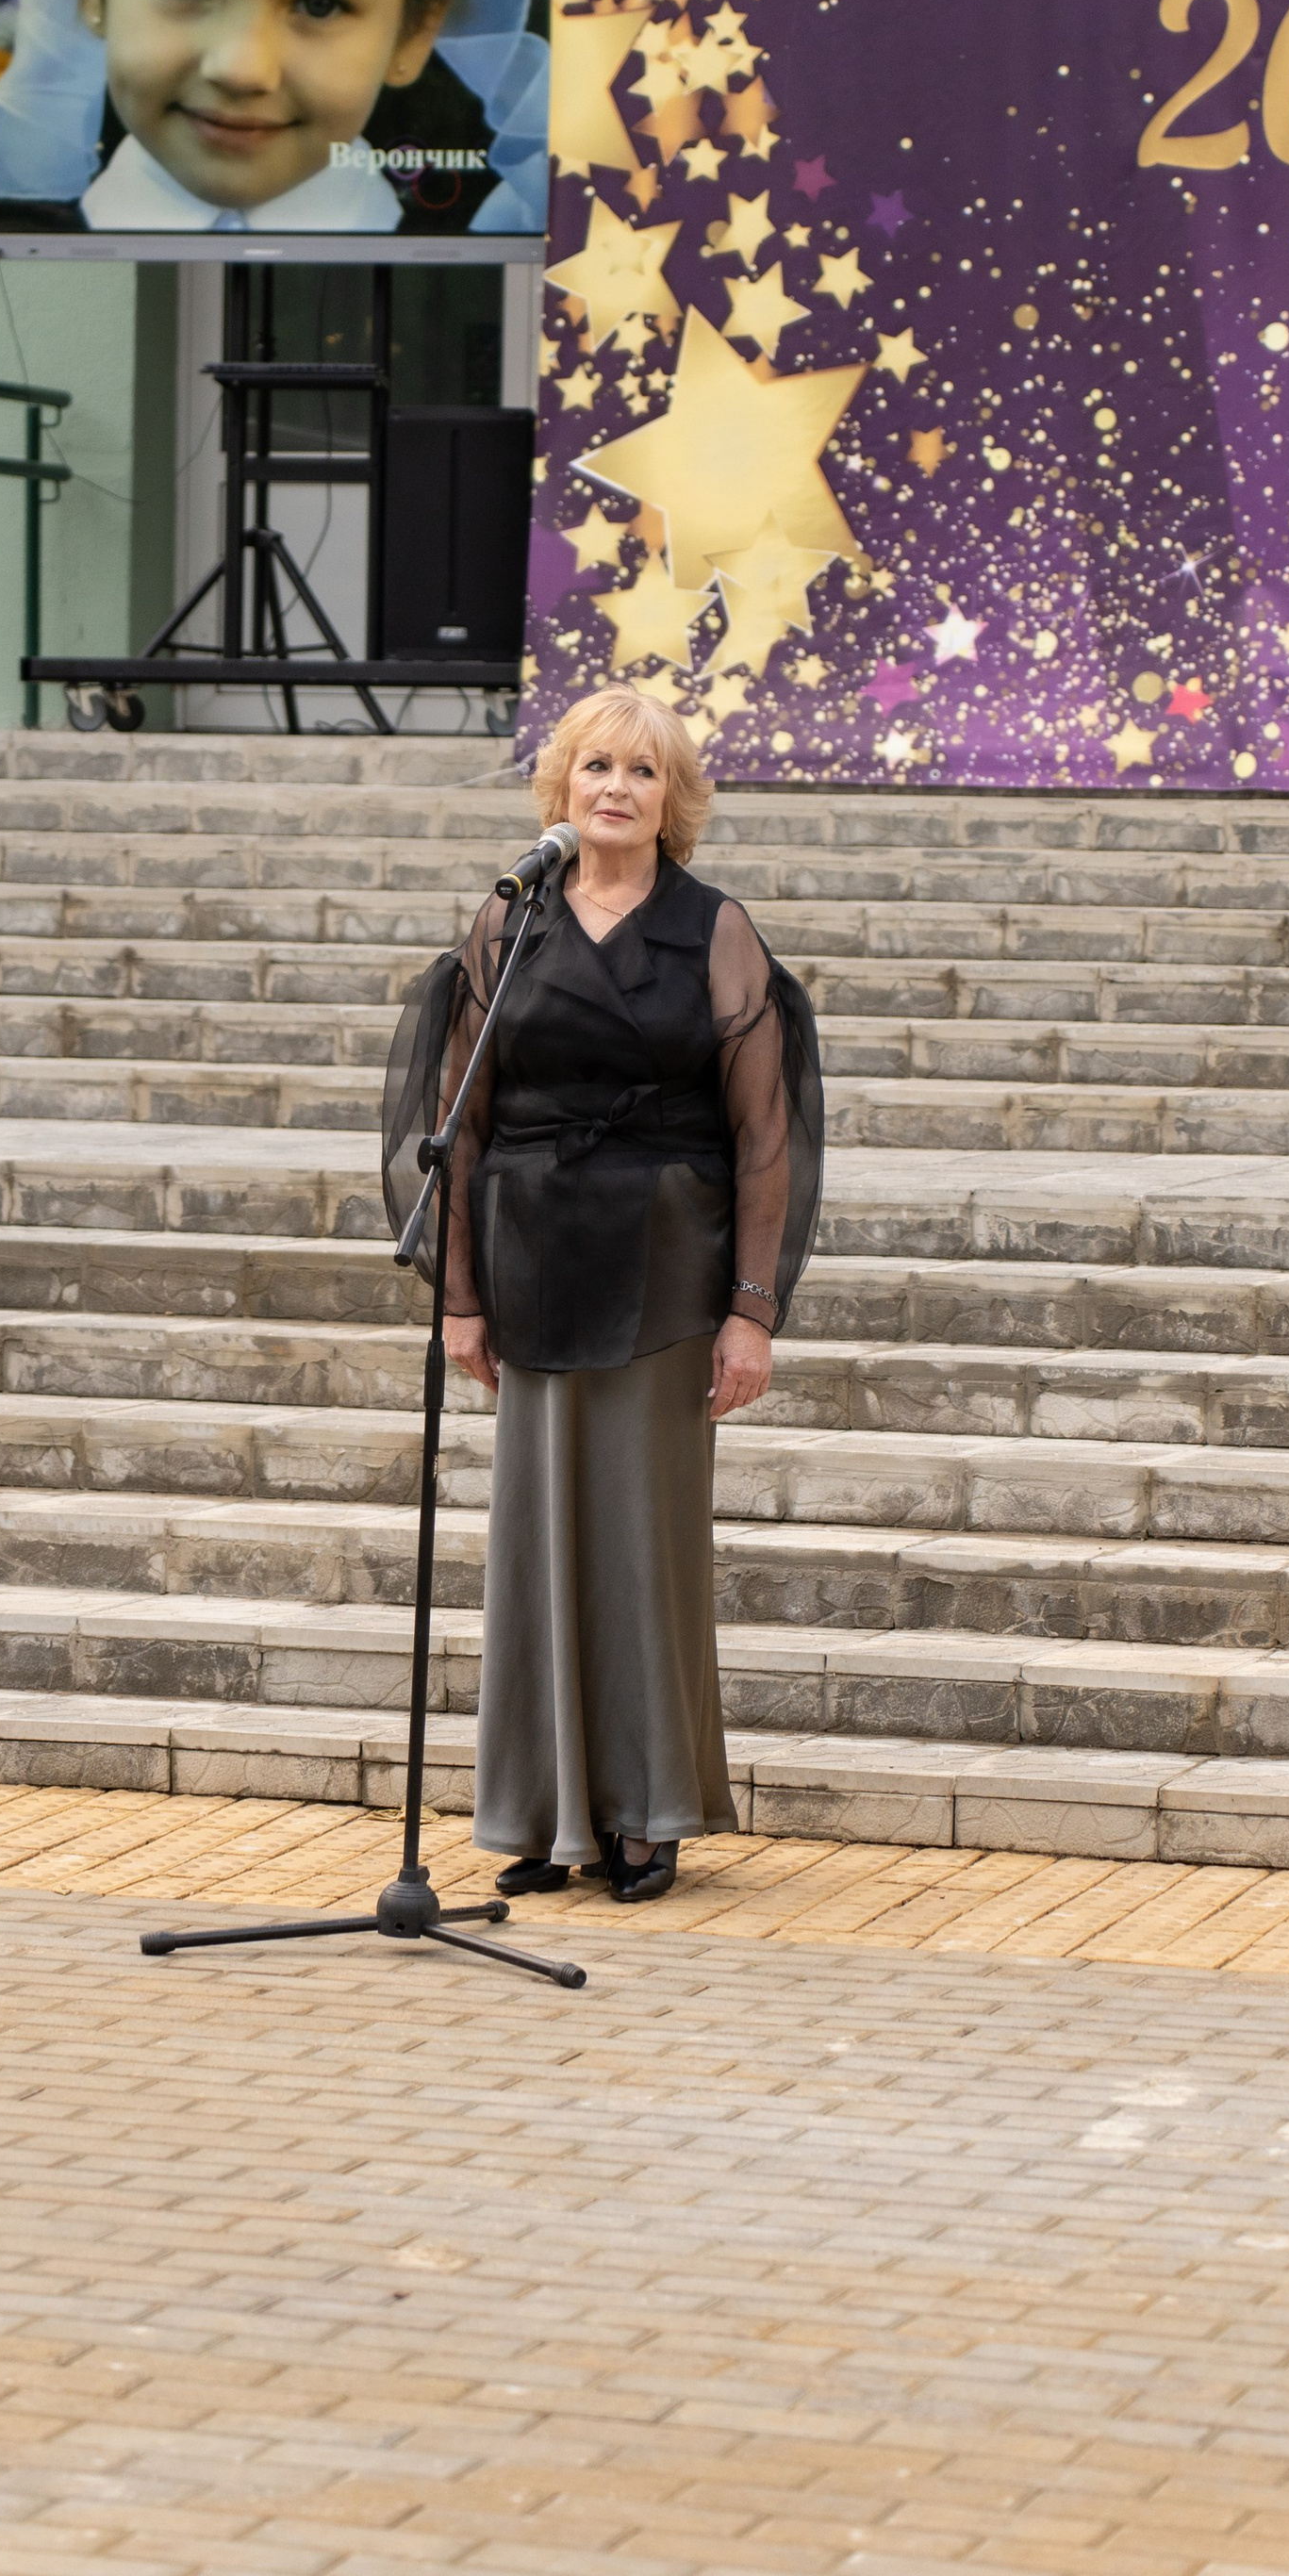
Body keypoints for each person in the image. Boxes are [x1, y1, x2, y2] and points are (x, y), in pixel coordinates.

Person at [380, 688, 823, 1905]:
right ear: (560, 786)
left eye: (640, 769)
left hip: (665, 1269)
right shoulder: (510, 919)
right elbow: (456, 1118)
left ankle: (643, 1811)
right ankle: (540, 1811)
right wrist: (458, 1296)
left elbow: (765, 1135)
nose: (613, 786)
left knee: (641, 1545)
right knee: (534, 1544)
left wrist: (752, 1310)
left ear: (673, 799)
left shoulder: (713, 930)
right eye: (593, 766)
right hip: (533, 1264)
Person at [0, 0, 551, 241]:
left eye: (319, 4)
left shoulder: (489, 233)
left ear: (415, 31)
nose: (242, 69)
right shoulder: (21, 231)